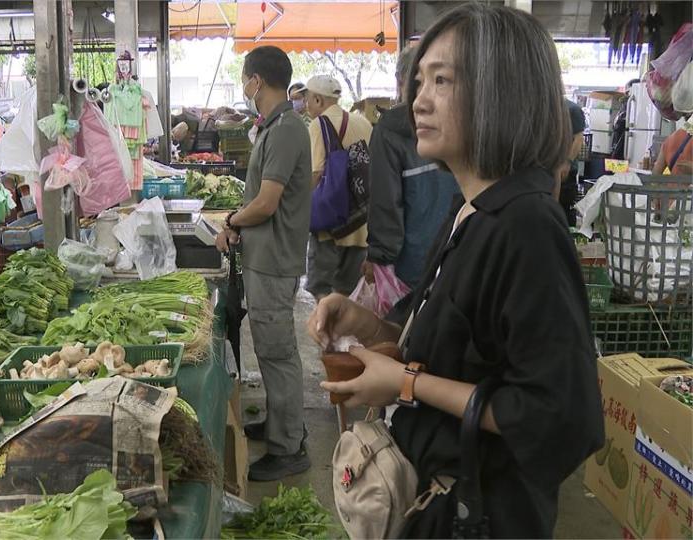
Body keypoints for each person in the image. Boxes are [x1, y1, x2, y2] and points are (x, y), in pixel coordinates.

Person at [309, 4, 603, 536]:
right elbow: (461, 347)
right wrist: (369, 326)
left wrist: (406, 384)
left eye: (441, 80)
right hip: (432, 500)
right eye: (419, 80)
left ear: (501, 91)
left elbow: (556, 416)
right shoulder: (469, 208)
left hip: (482, 514)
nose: (417, 99)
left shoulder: (527, 225)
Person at [214, 45, 312, 482]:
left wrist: (233, 219)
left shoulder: (288, 128)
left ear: (258, 81)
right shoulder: (273, 126)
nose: (244, 86)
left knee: (277, 354)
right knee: (272, 351)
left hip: (274, 260)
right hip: (264, 255)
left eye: (245, 78)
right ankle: (282, 426)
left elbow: (268, 203)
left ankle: (288, 447)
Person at [362, 46, 459, 295]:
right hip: (456, 260)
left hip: (409, 268)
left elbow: (385, 203)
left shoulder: (390, 131)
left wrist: (379, 256)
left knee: (402, 331)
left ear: (401, 80)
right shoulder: (459, 123)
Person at [303, 75, 373, 300]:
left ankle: (327, 333)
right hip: (361, 225)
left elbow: (316, 173)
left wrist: (301, 207)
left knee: (320, 289)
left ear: (318, 100)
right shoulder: (363, 122)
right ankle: (344, 334)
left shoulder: (318, 125)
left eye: (307, 99)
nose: (305, 105)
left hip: (330, 228)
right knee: (347, 293)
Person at [555, 100, 587, 225]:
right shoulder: (543, 107)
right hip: (547, 169)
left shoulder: (572, 109)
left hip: (565, 170)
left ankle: (568, 239)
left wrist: (567, 162)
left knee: (564, 209)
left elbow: (579, 139)